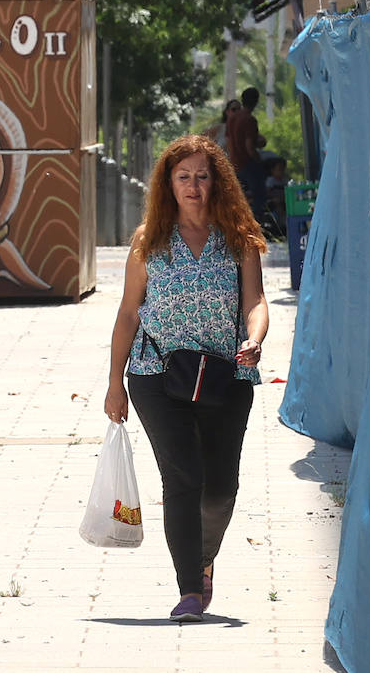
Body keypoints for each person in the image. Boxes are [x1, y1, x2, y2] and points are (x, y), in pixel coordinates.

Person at [104, 134, 269, 623]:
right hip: (156, 374)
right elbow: (129, 312)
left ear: (217, 182)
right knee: (183, 479)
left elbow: (255, 301)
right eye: (183, 177)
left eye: (202, 176)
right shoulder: (148, 241)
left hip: (227, 374)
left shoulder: (239, 237)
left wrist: (255, 339)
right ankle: (189, 592)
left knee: (220, 487)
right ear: (168, 184)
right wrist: (115, 383)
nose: (194, 187)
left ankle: (202, 560)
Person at [226, 87, 266, 215]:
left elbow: (229, 142)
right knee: (259, 197)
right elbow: (249, 146)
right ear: (256, 101)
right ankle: (257, 225)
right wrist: (258, 160)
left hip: (234, 163)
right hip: (247, 164)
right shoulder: (249, 120)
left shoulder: (232, 119)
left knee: (238, 200)